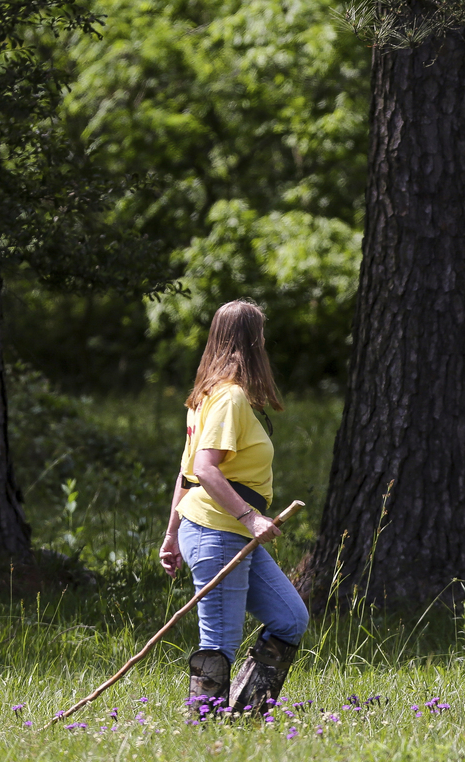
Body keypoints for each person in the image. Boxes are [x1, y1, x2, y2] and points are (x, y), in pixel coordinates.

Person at [160, 299, 309, 716]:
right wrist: (250, 516)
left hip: (219, 529)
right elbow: (203, 471)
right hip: (219, 530)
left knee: (290, 618)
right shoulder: (227, 398)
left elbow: (184, 473)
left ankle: (246, 711)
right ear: (253, 342)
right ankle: (203, 727)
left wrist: (172, 535)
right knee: (219, 642)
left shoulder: (207, 396)